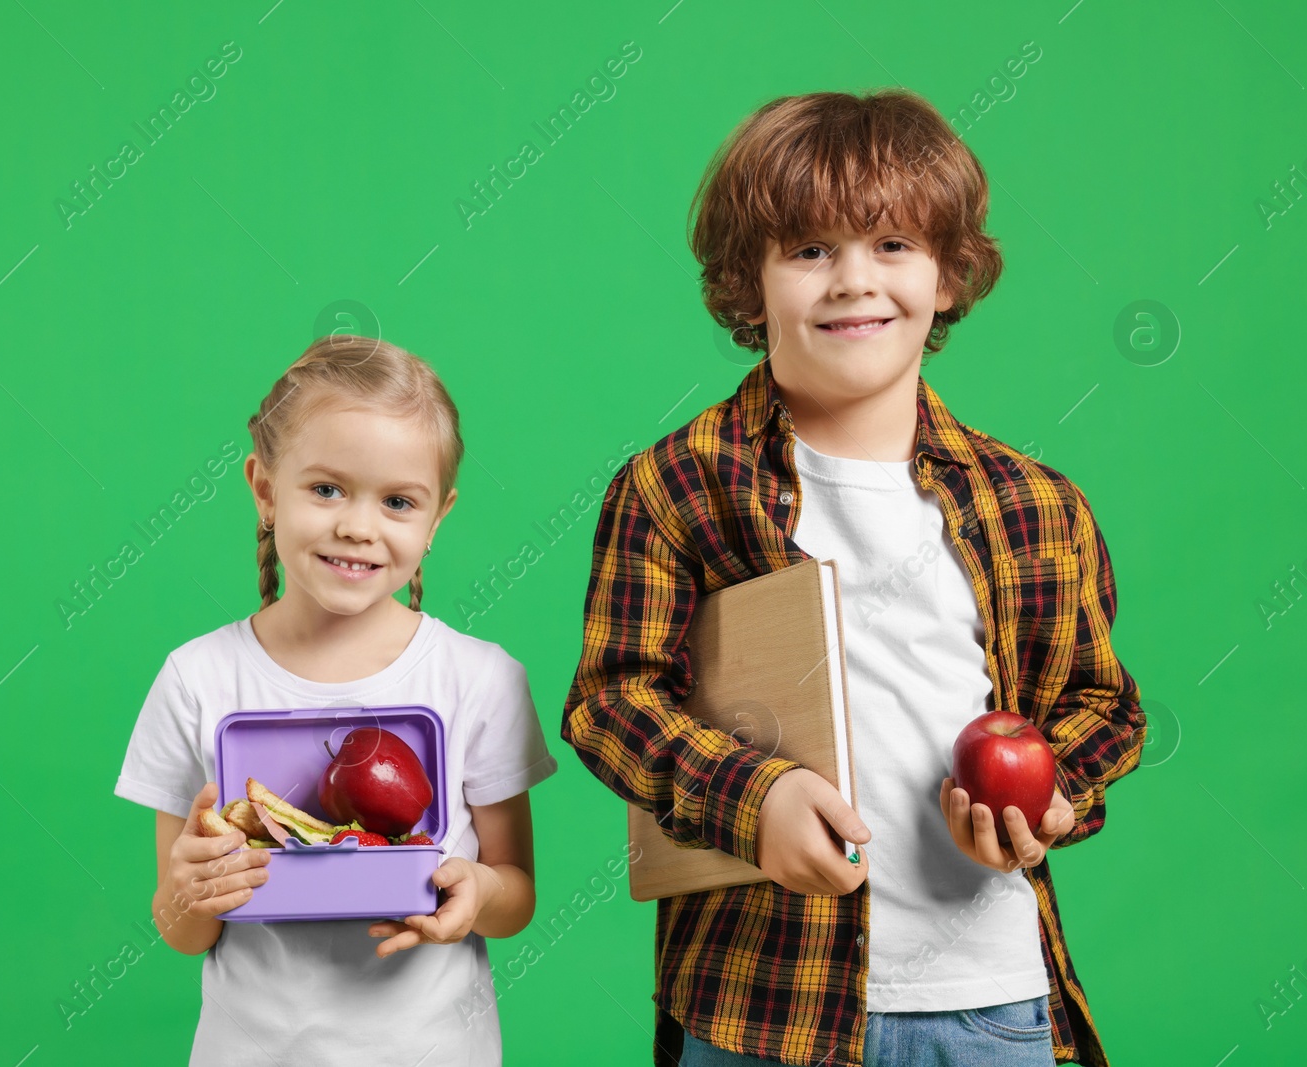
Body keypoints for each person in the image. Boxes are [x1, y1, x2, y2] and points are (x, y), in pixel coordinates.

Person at [561, 89, 1145, 1067]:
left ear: (948, 275)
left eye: (890, 246)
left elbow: (1099, 704)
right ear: (748, 282)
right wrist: (754, 797)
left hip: (989, 997)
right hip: (760, 1004)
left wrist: (1050, 796)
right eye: (808, 250)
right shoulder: (680, 483)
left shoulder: (1034, 503)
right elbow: (611, 699)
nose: (852, 281)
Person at [116, 333, 558, 1066]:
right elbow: (178, 925)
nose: (358, 525)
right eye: (326, 488)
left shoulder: (480, 680)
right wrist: (192, 888)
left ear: (437, 517)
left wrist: (475, 889)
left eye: (396, 501)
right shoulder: (197, 678)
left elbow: (516, 895)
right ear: (264, 488)